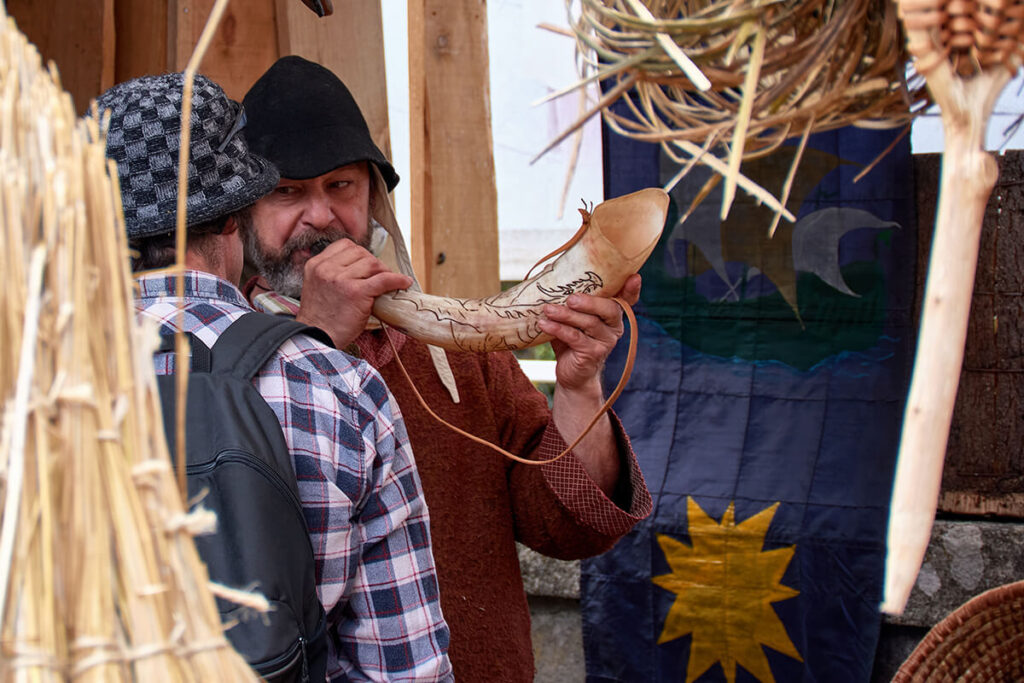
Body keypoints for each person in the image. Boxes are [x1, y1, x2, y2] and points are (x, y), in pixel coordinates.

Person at [241, 56, 653, 682]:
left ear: (374, 199)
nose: (321, 216)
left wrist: (578, 383)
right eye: (287, 191)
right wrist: (319, 342)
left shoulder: (454, 355)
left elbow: (565, 529)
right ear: (241, 214)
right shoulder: (218, 358)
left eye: (341, 187)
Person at [97, 72, 452, 682]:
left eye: (341, 184)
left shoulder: (26, 383)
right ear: (236, 217)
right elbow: (406, 668)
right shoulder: (343, 388)